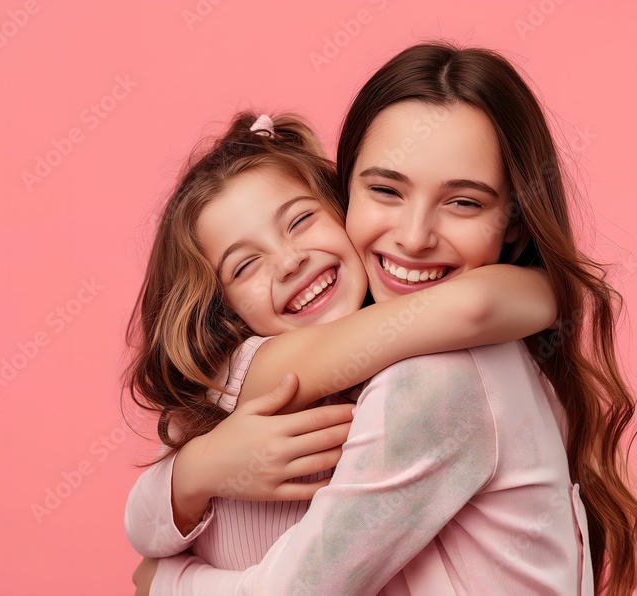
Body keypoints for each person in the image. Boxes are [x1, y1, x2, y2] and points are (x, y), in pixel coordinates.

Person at [134, 42, 637, 596]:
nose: (415, 238)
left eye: (464, 202)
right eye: (385, 190)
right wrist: (196, 471)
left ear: (514, 220)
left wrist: (164, 580)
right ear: (344, 192)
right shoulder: (341, 359)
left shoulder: (438, 379)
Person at [122, 110, 558, 576]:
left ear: (341, 210)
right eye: (244, 266)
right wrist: (195, 473)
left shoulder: (424, 372)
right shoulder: (254, 367)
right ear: (224, 308)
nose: (289, 261)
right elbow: (474, 307)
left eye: (301, 220)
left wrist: (164, 580)